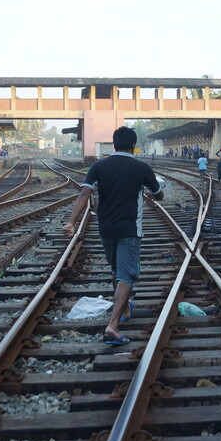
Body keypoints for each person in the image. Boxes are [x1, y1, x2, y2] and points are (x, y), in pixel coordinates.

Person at [62, 126, 164, 346]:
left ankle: (125, 308)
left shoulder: (99, 166)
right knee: (126, 275)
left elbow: (84, 193)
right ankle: (113, 326)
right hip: (129, 229)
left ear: (115, 143)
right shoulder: (141, 167)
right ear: (133, 146)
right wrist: (152, 194)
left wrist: (71, 222)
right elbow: (159, 193)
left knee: (116, 270)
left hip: (105, 228)